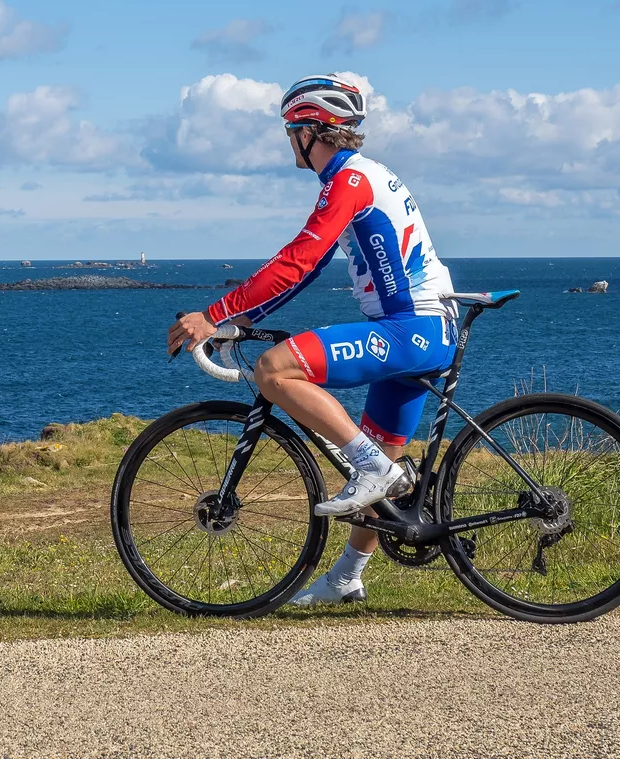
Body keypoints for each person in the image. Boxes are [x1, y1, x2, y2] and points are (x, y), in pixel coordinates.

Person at [166, 74, 458, 607]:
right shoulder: (359, 177)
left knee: (275, 371)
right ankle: (346, 576)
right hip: (420, 330)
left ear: (311, 131)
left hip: (408, 329)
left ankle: (372, 472)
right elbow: (308, 269)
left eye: (289, 130)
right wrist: (238, 319)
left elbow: (298, 261)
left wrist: (213, 315)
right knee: (381, 467)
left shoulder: (348, 181)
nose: (287, 141)